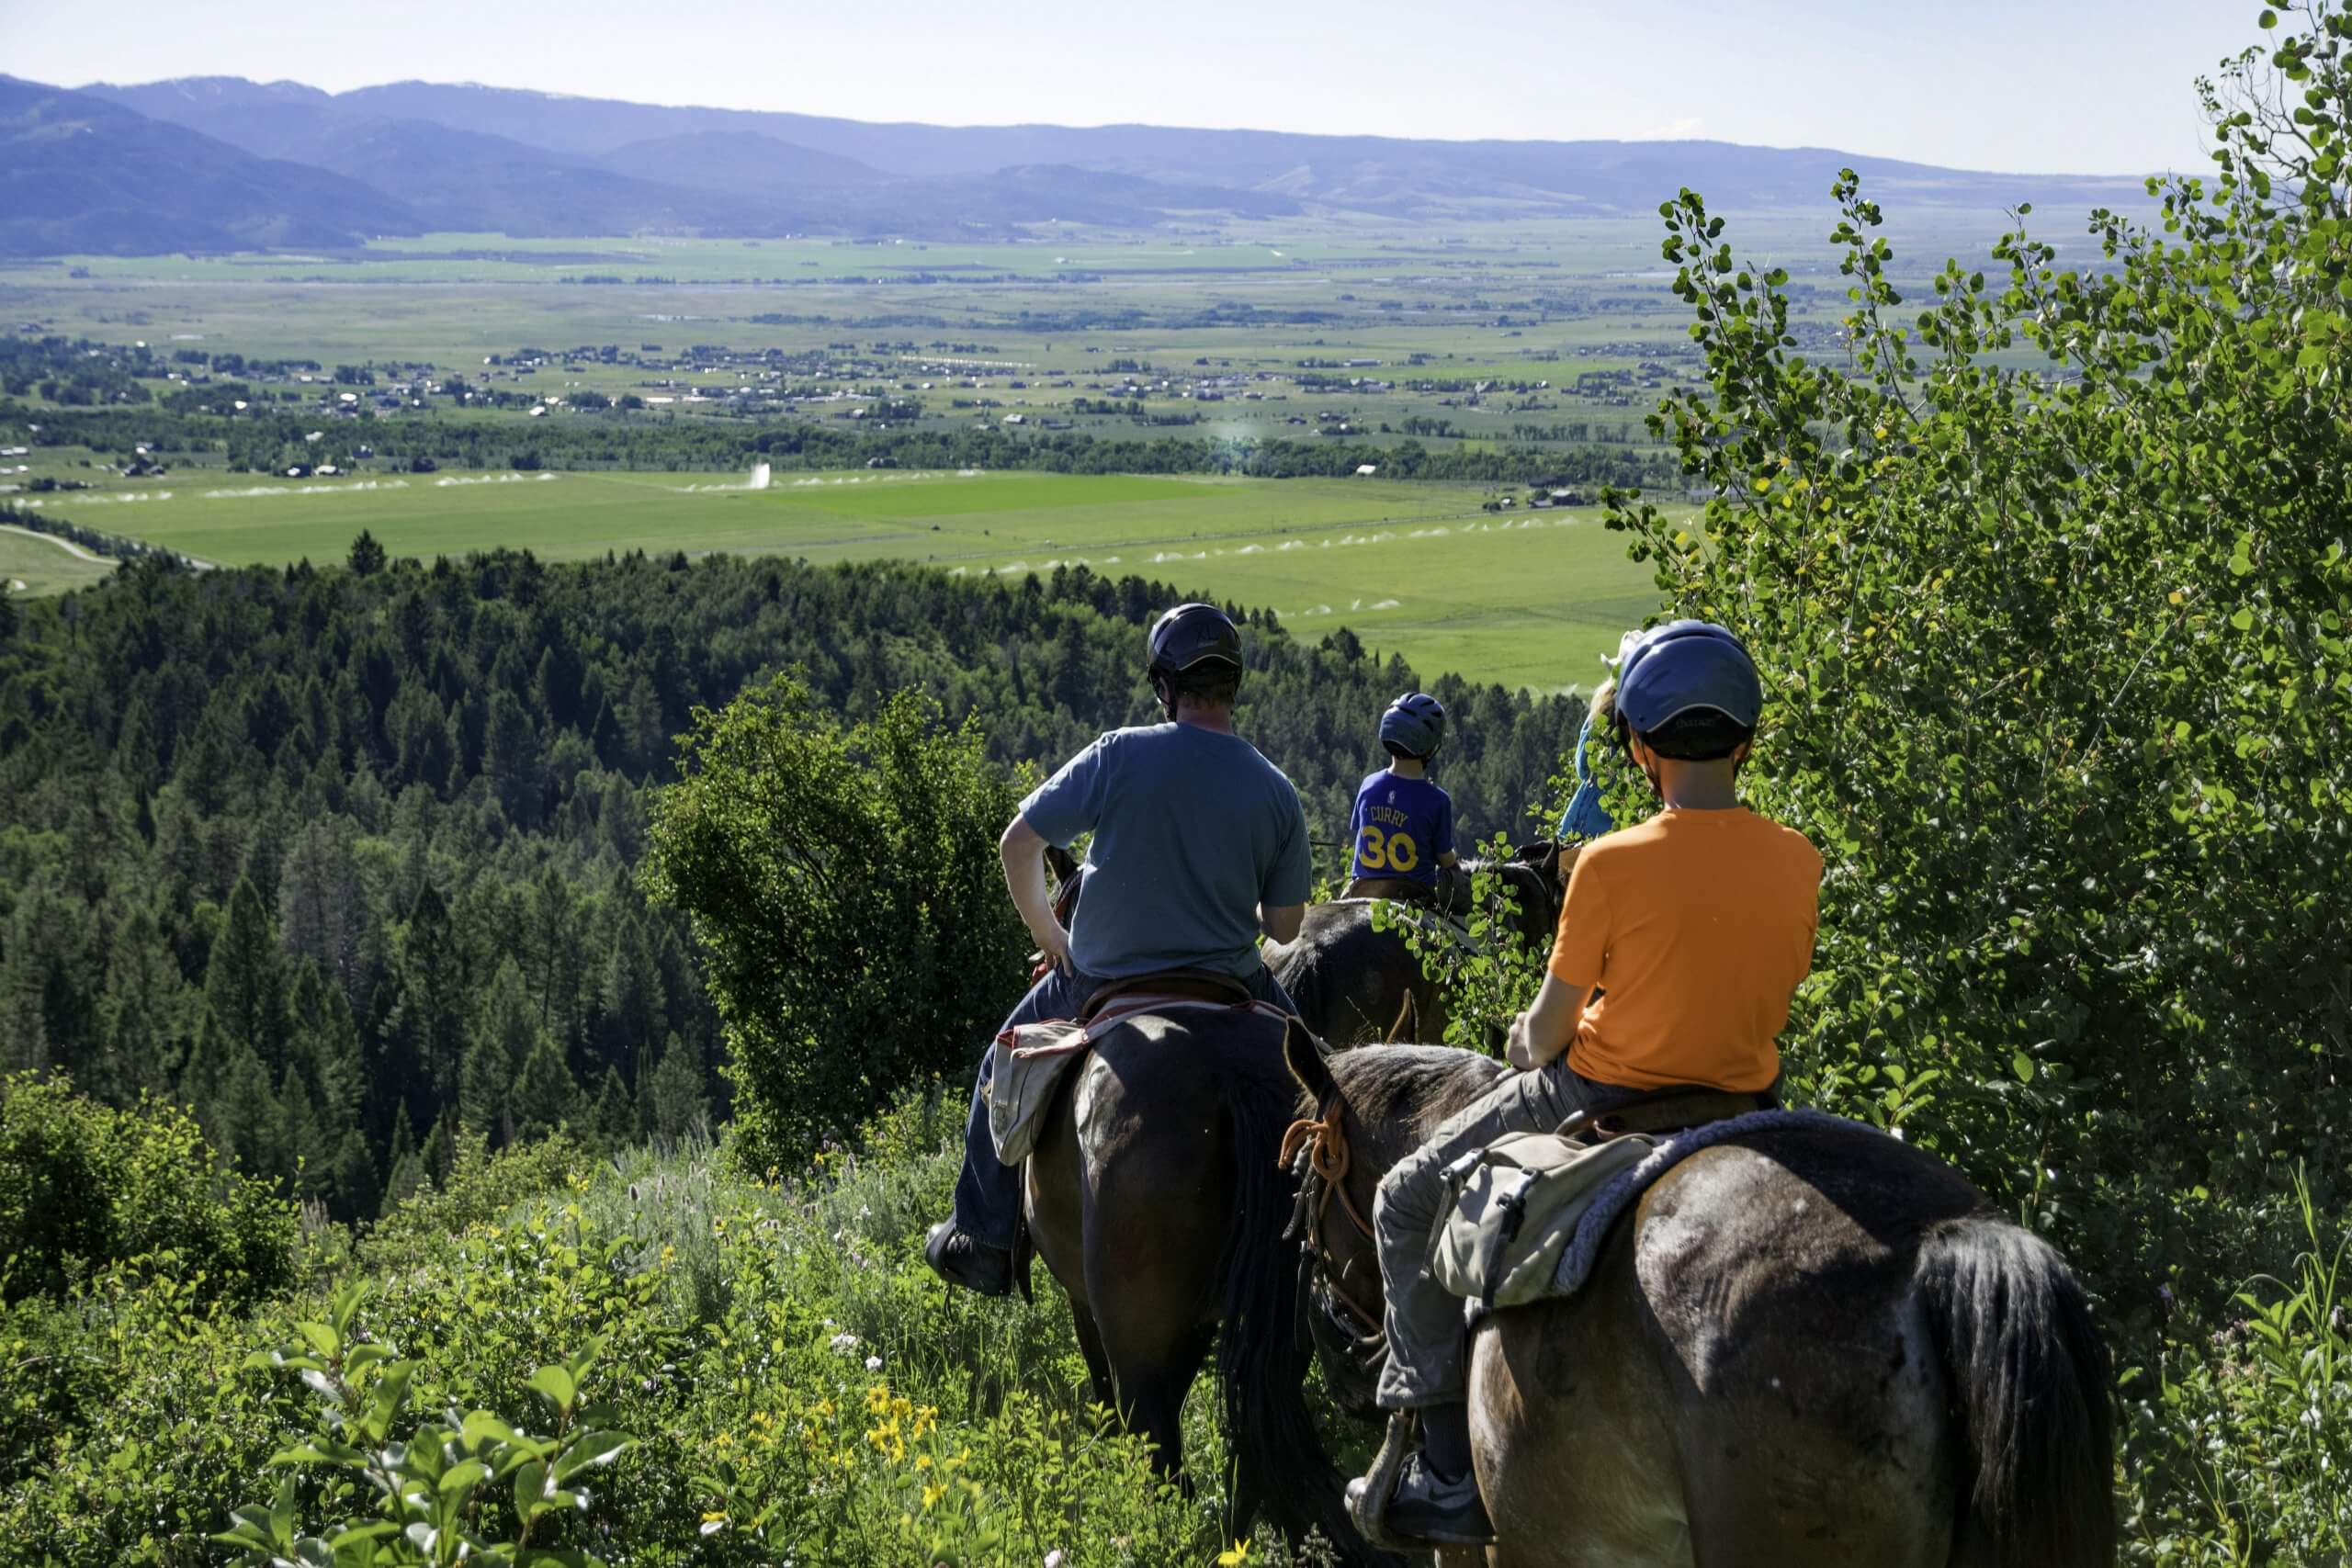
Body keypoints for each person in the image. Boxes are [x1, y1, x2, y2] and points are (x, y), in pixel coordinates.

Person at [1347, 620, 1824, 1547]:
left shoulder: (1607, 861)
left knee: (1405, 1200)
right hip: (1748, 1103)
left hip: (1597, 1093)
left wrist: (1525, 1038)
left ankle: (1447, 1472)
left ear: (1641, 751)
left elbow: (1550, 1028)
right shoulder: (1798, 860)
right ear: (1746, 742)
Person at [923, 602, 1315, 1296]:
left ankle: (981, 1236)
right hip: (1232, 980)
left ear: (1165, 686)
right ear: (1234, 686)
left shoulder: (1119, 753)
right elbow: (1285, 927)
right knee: (1326, 1084)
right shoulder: (1276, 790)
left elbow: (1019, 844)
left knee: (999, 1063)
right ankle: (1335, 1243)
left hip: (1099, 975)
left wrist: (1052, 937)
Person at [1341, 693, 1461, 907]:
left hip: (1362, 892)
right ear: (1431, 748)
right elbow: (1445, 859)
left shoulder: (1368, 785)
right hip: (1413, 899)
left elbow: (1359, 832)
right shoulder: (1437, 801)